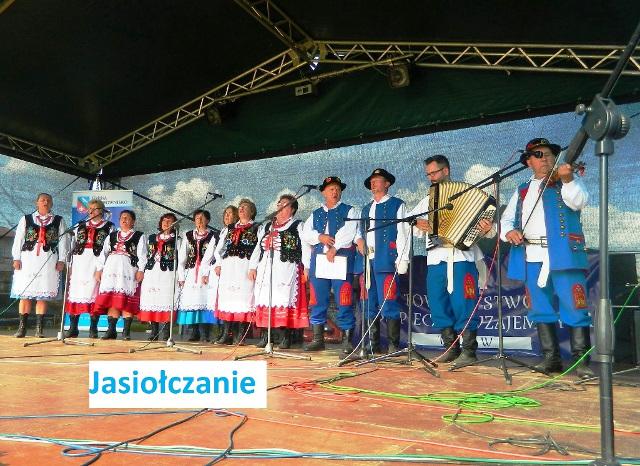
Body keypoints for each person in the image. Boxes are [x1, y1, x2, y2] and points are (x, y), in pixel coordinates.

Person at [501, 138, 593, 379]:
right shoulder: (522, 189)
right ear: (528, 162)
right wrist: (509, 232)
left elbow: (580, 201)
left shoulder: (566, 180)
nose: (546, 159)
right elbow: (506, 220)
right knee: (539, 307)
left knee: (575, 305)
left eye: (550, 154)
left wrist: (568, 179)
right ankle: (551, 359)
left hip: (563, 254)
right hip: (531, 254)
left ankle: (581, 361)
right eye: (539, 155)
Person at [410, 155, 494, 368]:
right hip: (436, 258)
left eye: (434, 172)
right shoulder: (427, 200)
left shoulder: (470, 195)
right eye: (428, 174)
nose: (431, 177)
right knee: (438, 302)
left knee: (463, 302)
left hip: (462, 257)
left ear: (446, 170)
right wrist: (418, 223)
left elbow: (490, 230)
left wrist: (487, 229)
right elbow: (409, 221)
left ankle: (469, 351)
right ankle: (451, 348)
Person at [355, 169, 409, 354]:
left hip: (386, 260)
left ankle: (393, 345)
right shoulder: (365, 208)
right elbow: (358, 231)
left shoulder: (397, 205)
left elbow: (403, 232)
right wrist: (359, 240)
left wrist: (402, 258)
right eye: (372, 181)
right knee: (368, 303)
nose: (373, 183)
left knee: (389, 302)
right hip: (367, 263)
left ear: (387, 184)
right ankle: (372, 344)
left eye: (377, 180)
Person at [302, 176, 359, 353]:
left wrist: (334, 247)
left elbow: (349, 231)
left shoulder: (350, 210)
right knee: (317, 300)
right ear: (323, 192)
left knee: (344, 299)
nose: (335, 192)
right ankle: (318, 339)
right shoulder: (315, 213)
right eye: (331, 189)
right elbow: (305, 234)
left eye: (337, 189)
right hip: (320, 262)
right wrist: (319, 237)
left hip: (340, 261)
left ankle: (347, 341)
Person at [249, 194, 310, 349]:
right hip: (265, 268)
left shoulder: (298, 225)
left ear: (292, 210)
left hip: (286, 269)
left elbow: (305, 247)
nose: (281, 207)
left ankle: (285, 337)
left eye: (285, 204)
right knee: (265, 299)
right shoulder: (267, 226)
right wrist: (252, 267)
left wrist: (307, 267)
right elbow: (258, 248)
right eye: (279, 204)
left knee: (283, 299)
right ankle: (265, 336)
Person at [11, 193, 69, 338]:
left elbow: (64, 241)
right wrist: (16, 258)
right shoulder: (26, 219)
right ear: (36, 203)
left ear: (52, 204)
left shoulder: (58, 220)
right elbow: (18, 239)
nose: (45, 202)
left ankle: (39, 329)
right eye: (43, 200)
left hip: (48, 260)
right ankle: (22, 328)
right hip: (28, 259)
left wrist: (62, 260)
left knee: (42, 295)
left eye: (48, 200)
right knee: (25, 295)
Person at [203, 200, 258, 345]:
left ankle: (239, 336)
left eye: (245, 207)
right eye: (240, 207)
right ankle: (226, 333)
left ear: (252, 211)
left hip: (244, 266)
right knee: (227, 299)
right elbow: (219, 249)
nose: (241, 209)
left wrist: (253, 267)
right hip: (228, 267)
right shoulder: (230, 228)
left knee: (243, 300)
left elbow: (258, 249)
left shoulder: (257, 227)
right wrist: (219, 263)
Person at [65, 199, 114, 338]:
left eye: (95, 208)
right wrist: (70, 265)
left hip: (96, 261)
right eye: (90, 208)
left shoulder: (109, 226)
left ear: (101, 211)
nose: (91, 211)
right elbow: (72, 245)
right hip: (79, 262)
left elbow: (108, 249)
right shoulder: (79, 225)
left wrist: (101, 268)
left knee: (94, 292)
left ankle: (93, 328)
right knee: (76, 291)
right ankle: (73, 327)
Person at [94, 210, 147, 340]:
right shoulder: (112, 235)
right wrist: (99, 269)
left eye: (127, 218)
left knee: (126, 299)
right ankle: (111, 330)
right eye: (122, 217)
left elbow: (142, 255)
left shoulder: (139, 236)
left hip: (128, 270)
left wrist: (141, 270)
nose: (124, 220)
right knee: (112, 299)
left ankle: (126, 331)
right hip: (111, 269)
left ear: (133, 221)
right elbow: (103, 253)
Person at [176, 209, 219, 342]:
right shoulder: (188, 235)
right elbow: (182, 257)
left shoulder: (213, 236)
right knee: (191, 301)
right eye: (197, 218)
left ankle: (205, 333)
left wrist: (206, 272)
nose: (199, 220)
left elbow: (212, 255)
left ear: (208, 220)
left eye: (202, 218)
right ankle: (194, 332)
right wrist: (181, 276)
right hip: (190, 272)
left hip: (206, 273)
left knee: (205, 300)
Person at [138, 213, 178, 341]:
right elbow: (144, 255)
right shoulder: (151, 238)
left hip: (168, 273)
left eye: (169, 221)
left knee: (166, 300)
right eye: (164, 220)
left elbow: (180, 257)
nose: (166, 223)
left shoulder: (177, 239)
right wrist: (142, 270)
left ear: (174, 224)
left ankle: (166, 332)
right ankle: (154, 331)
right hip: (152, 272)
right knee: (152, 300)